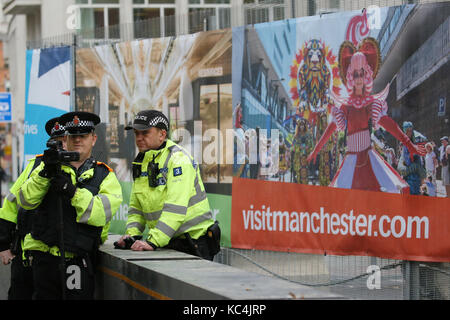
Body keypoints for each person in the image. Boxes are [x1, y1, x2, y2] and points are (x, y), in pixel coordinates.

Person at [14, 111, 123, 300]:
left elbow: (99, 215)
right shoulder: (46, 167)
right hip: (44, 258)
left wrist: (73, 193)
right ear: (66, 138)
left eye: (83, 135)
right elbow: (25, 200)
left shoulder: (104, 175)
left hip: (78, 259)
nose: (78, 140)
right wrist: (45, 174)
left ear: (93, 139)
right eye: (73, 136)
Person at [307, 37, 425, 193]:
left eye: (361, 73)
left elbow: (388, 124)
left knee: (386, 192)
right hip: (350, 160)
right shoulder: (345, 106)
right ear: (350, 76)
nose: (358, 78)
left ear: (367, 74)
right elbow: (331, 128)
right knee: (344, 199)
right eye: (355, 74)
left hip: (369, 157)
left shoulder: (371, 103)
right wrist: (316, 149)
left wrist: (409, 144)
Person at [116, 110, 220, 261]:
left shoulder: (179, 160)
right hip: (168, 241)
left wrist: (153, 241)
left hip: (193, 243)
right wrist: (132, 235)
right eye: (136, 133)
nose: (139, 138)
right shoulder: (142, 161)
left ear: (162, 134)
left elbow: (175, 209)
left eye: (145, 133)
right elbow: (136, 208)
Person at [0, 117, 66, 300]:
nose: (59, 148)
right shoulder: (35, 165)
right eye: (55, 143)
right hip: (26, 254)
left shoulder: (83, 168)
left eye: (63, 143)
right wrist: (3, 244)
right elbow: (10, 204)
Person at [398, 121, 426, 195]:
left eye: (410, 130)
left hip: (415, 175)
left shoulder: (413, 143)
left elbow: (418, 161)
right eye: (407, 131)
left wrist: (422, 178)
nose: (409, 132)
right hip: (407, 174)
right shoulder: (404, 144)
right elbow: (404, 159)